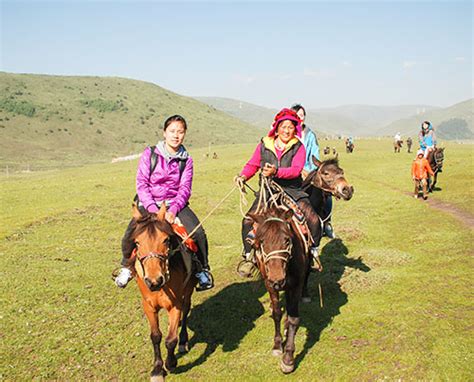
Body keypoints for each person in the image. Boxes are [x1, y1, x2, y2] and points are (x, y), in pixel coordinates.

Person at [115, 115, 214, 291]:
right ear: (164, 133)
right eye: (172, 131)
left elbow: (185, 188)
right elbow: (142, 184)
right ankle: (127, 267)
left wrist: (173, 210)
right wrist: (154, 211)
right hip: (149, 204)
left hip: (175, 205)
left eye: (180, 132)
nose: (176, 135)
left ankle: (202, 270)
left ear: (185, 134)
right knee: (129, 234)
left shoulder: (186, 160)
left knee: (198, 233)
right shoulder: (150, 154)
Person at [235, 108, 322, 270]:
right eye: (283, 127)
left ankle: (312, 253)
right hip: (268, 192)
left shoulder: (298, 147)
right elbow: (253, 164)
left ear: (295, 128)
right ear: (277, 127)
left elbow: (296, 170)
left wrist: (276, 171)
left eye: (290, 127)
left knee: (313, 220)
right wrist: (243, 176)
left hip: (292, 190)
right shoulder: (264, 144)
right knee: (247, 221)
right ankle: (249, 258)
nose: (287, 131)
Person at [291, 103, 335, 239]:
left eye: (302, 115)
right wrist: (297, 170)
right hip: (292, 173)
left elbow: (314, 154)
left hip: (309, 171)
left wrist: (310, 171)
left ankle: (326, 222)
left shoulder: (310, 135)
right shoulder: (288, 133)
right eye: (297, 115)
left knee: (326, 193)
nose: (300, 118)